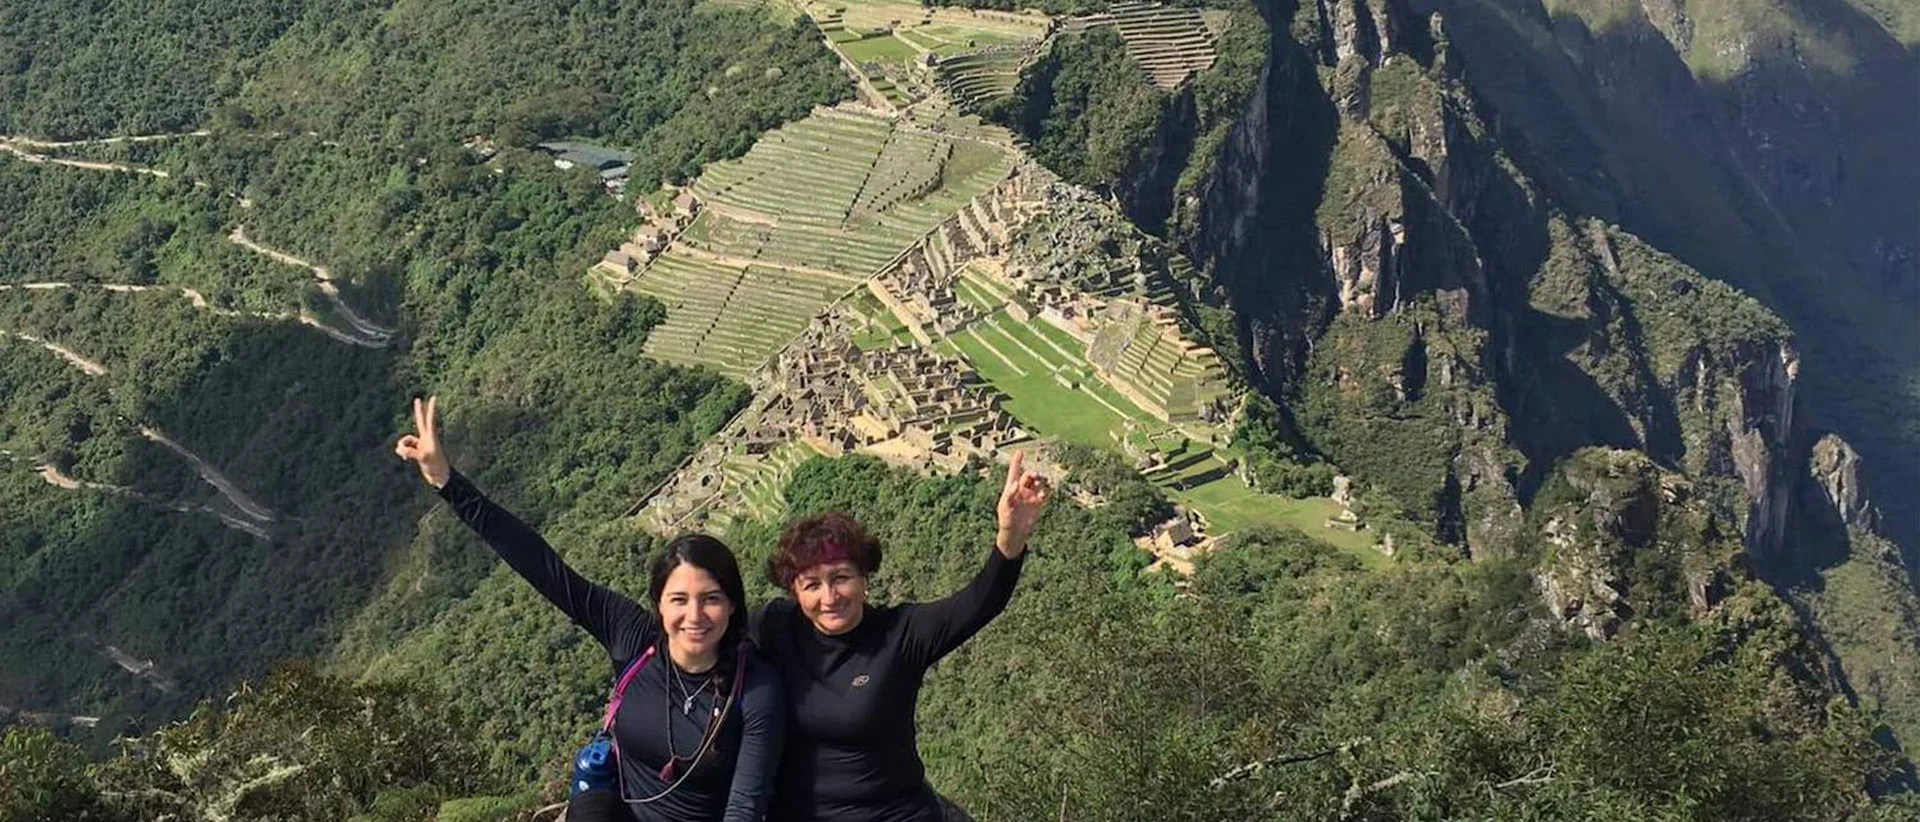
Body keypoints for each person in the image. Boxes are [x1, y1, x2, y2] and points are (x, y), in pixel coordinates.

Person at [394, 396, 784, 822]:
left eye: (711, 599)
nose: (694, 615)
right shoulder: (634, 639)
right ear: (658, 604)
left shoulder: (753, 690)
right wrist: (447, 482)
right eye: (679, 599)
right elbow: (541, 566)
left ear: (732, 606)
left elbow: (744, 807)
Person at [754, 451, 1051, 822]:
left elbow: (979, 603)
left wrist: (1011, 536)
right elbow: (703, 642)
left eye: (841, 578)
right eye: (812, 584)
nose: (829, 597)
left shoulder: (899, 634)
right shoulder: (774, 628)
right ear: (794, 592)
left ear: (864, 580)